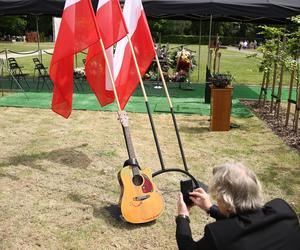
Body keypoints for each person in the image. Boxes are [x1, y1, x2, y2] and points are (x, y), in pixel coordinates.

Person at [176, 162, 300, 250]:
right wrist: (210, 208)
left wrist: (183, 216)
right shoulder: (283, 210)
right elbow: (244, 222)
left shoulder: (219, 234)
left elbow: (188, 248)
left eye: (217, 197)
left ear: (225, 200)